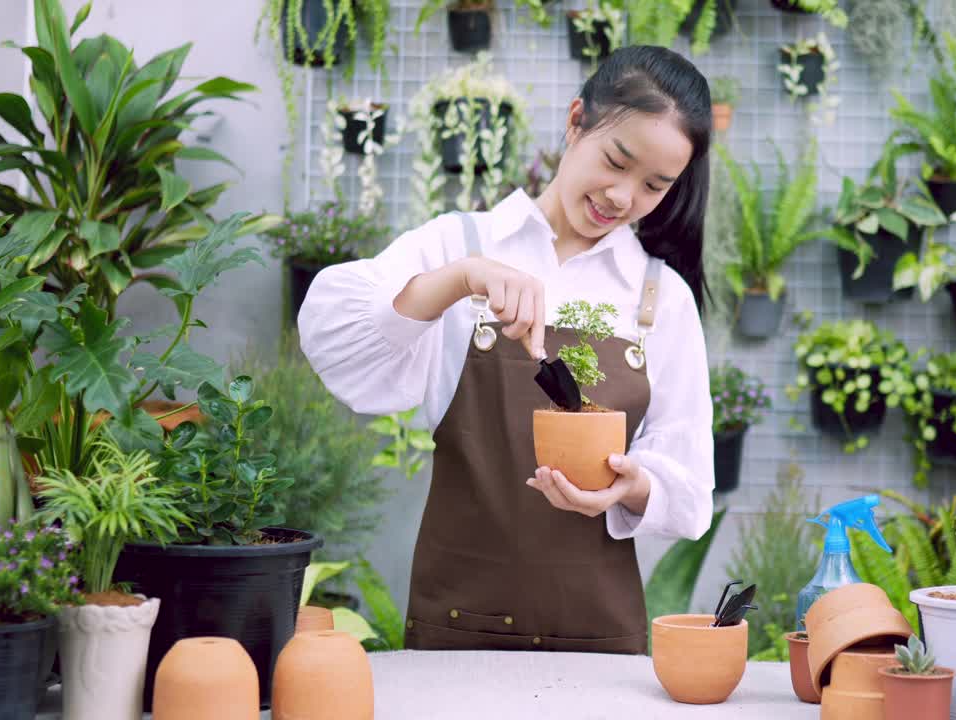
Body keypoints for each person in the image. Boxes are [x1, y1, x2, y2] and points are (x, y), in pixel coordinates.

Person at [298, 45, 715, 654]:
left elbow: (690, 489)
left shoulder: (661, 295)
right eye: (616, 161)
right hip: (458, 631)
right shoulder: (461, 242)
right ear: (576, 121)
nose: (623, 197)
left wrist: (628, 486)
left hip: (598, 641)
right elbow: (338, 340)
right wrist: (461, 279)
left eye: (655, 185)